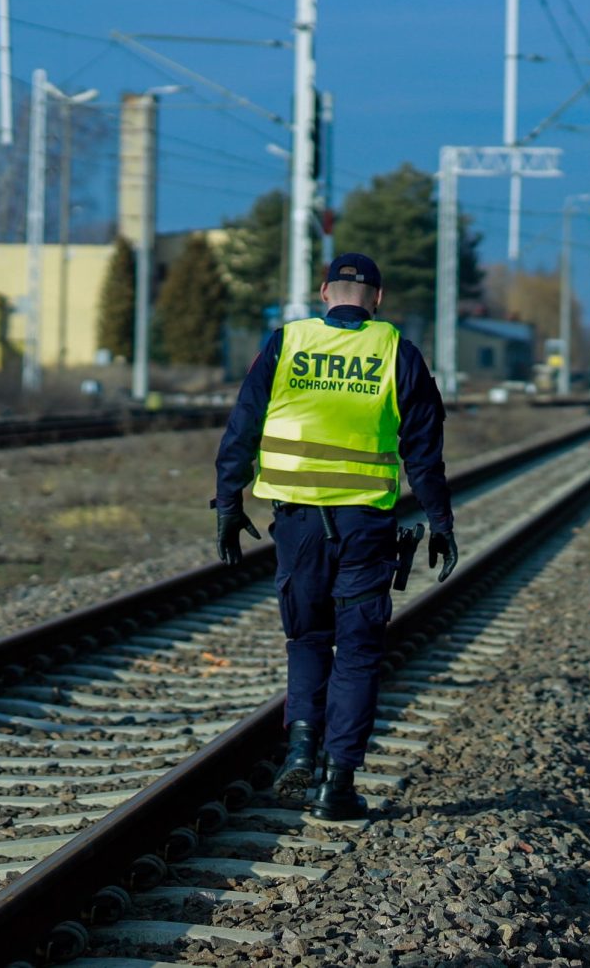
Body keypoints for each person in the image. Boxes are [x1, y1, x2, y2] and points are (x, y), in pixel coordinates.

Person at [212, 253, 459, 820]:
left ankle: (301, 746)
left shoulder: (286, 343)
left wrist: (228, 501)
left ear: (325, 292)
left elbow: (242, 427)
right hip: (364, 527)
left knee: (306, 640)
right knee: (358, 652)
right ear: (378, 297)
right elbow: (425, 453)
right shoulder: (397, 351)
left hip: (296, 523)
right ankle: (338, 783)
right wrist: (441, 524)